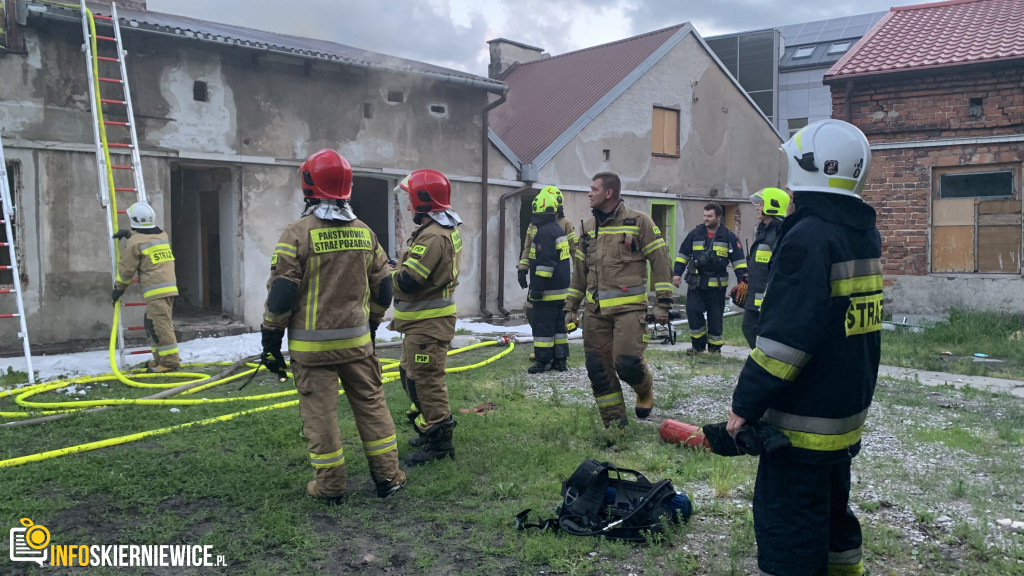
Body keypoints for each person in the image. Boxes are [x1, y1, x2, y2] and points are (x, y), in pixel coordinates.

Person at [727, 119, 881, 576]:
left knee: (790, 529)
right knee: (833, 516)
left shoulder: (808, 238)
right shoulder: (860, 232)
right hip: (842, 415)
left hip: (801, 426)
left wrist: (744, 405)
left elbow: (783, 342)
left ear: (810, 170)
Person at [260, 149, 404, 504]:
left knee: (320, 417)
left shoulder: (297, 233)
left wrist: (270, 336)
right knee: (372, 407)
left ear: (309, 185)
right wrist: (371, 324)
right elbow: (385, 286)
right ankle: (388, 476)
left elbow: (282, 292)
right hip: (358, 345)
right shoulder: (365, 233)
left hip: (312, 352)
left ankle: (330, 485)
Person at [563, 172, 674, 429]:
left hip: (629, 309)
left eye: (593, 189)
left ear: (609, 193)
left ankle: (644, 389)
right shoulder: (588, 228)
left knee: (626, 363)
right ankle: (615, 427)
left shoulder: (639, 222)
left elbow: (660, 261)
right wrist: (570, 307)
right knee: (598, 369)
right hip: (595, 311)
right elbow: (580, 272)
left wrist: (663, 303)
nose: (589, 193)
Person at [390, 169, 462, 466]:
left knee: (426, 381)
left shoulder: (433, 235)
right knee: (410, 376)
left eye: (411, 200)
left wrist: (383, 274)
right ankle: (431, 427)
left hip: (428, 325)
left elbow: (410, 280)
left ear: (423, 200)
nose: (408, 206)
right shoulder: (437, 229)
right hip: (421, 323)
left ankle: (440, 442)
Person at [111, 202, 180, 373]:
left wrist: (118, 289)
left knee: (161, 325)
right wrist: (129, 234)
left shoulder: (135, 243)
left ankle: (170, 362)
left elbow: (126, 270)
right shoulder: (162, 235)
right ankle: (159, 360)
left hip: (156, 290)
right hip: (168, 287)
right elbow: (145, 239)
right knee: (151, 324)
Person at [672, 203, 747, 355]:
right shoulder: (695, 234)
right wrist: (677, 274)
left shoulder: (728, 237)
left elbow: (738, 261)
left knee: (715, 317)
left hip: (717, 288)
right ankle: (698, 346)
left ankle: (714, 349)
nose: (706, 219)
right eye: (705, 216)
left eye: (710, 216)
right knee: (693, 311)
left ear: (718, 217)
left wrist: (743, 280)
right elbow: (683, 255)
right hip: (696, 284)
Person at [518, 186, 577, 363]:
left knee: (552, 318)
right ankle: (545, 348)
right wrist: (522, 268)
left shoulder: (565, 223)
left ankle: (548, 353)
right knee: (532, 313)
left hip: (554, 281)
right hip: (539, 280)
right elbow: (528, 248)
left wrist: (579, 278)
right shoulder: (534, 224)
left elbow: (574, 250)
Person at [737, 187, 790, 348]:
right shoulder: (764, 231)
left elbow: (781, 265)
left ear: (772, 205)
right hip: (757, 294)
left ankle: (764, 363)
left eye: (760, 203)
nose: (757, 207)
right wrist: (748, 280)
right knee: (750, 329)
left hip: (769, 297)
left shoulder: (779, 232)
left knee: (760, 331)